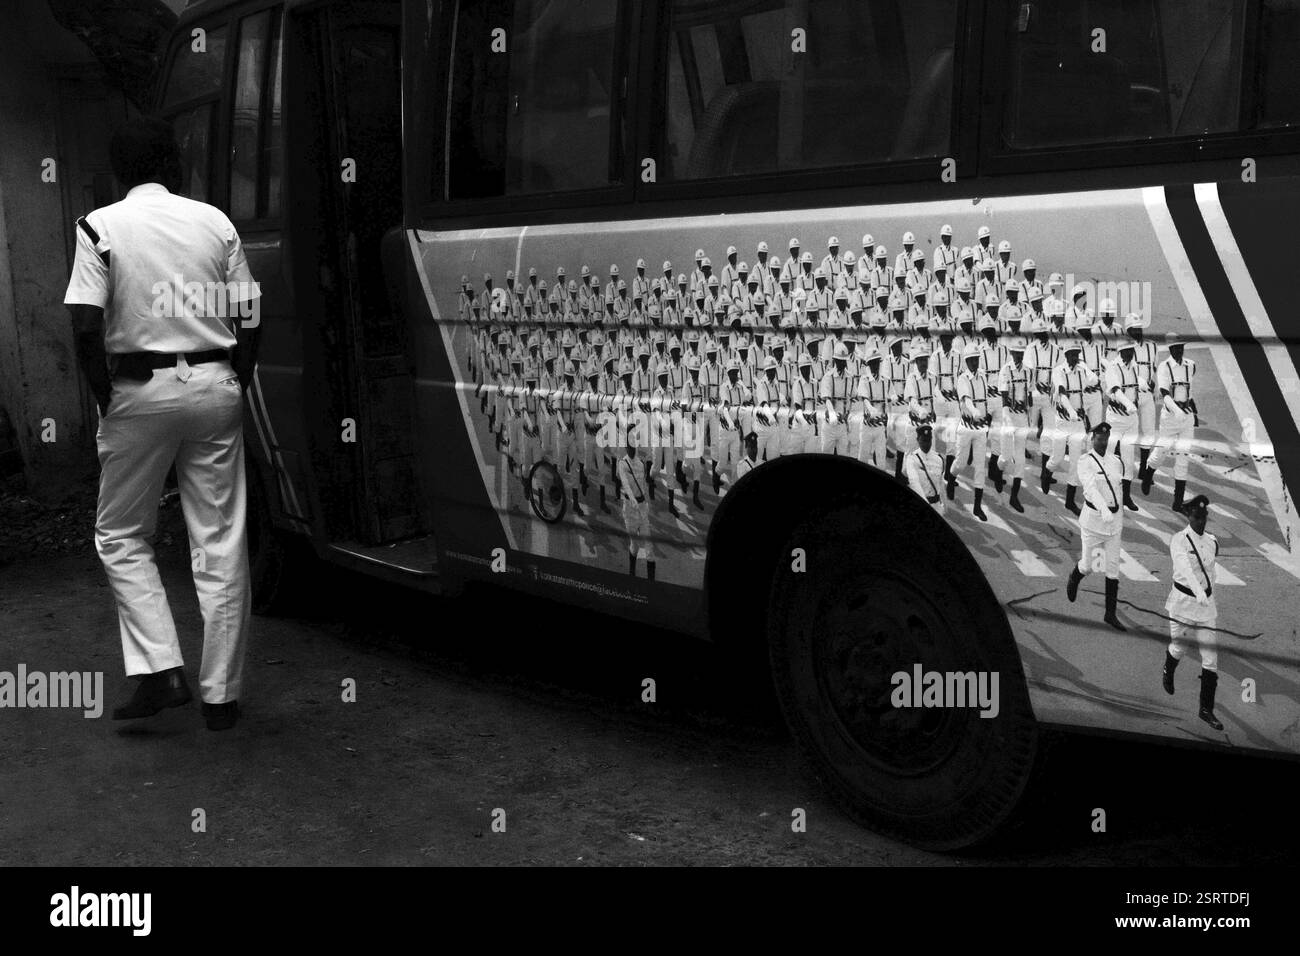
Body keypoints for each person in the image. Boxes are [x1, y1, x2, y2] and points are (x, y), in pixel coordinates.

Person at [64, 116, 257, 731]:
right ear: (172, 165)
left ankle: (161, 669)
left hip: (138, 391)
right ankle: (221, 697)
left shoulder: (99, 226)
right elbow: (250, 315)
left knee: (122, 535)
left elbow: (86, 327)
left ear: (119, 171)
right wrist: (233, 382)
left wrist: (107, 399)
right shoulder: (215, 221)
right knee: (220, 540)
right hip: (216, 386)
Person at [1161, 495, 1224, 730]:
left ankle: (1205, 709)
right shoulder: (1178, 540)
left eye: (1204, 517)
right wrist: (1197, 592)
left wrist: (1208, 597)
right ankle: (1168, 667)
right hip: (1182, 603)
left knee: (1211, 659)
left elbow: (1212, 573)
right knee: (1179, 648)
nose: (1201, 522)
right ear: (1188, 516)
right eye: (1197, 517)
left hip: (1206, 607)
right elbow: (1184, 569)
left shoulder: (1212, 541)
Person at [1066, 422, 1127, 631]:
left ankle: (1110, 614)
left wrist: (1118, 515)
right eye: (1099, 439)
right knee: (1090, 566)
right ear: (1093, 439)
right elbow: (1091, 490)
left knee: (1112, 568)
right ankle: (1075, 576)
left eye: (1106, 438)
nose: (1103, 442)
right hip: (1094, 522)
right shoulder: (1085, 461)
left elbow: (1119, 489)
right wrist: (1104, 510)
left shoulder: (1116, 461)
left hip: (1114, 525)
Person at [1147, 333, 1198, 512]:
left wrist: (1192, 411)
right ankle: (1148, 472)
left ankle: (1177, 502)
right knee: (1161, 452)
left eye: (1181, 347)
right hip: (1170, 417)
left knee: (1183, 458)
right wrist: (1176, 411)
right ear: (1170, 349)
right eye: (1175, 348)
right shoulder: (1164, 367)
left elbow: (1189, 392)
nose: (1179, 351)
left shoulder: (1191, 365)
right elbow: (1164, 393)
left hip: (1187, 417)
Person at [616, 439, 655, 579]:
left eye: (634, 447)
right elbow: (625, 484)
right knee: (635, 545)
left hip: (642, 509)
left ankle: (651, 583)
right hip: (630, 509)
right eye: (629, 447)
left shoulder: (641, 464)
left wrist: (645, 503)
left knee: (650, 549)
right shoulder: (622, 464)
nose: (632, 450)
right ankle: (632, 572)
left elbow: (643, 486)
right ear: (626, 448)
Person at [905, 423, 945, 513]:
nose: (926, 444)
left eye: (928, 440)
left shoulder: (939, 459)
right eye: (923, 440)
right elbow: (914, 483)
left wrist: (944, 504)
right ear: (917, 440)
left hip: (937, 506)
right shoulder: (912, 459)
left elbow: (940, 482)